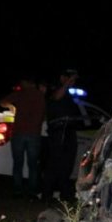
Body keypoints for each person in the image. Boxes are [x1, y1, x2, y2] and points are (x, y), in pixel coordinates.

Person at [0, 77, 46, 198]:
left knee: (18, 163)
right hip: (34, 134)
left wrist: (11, 106)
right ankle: (32, 190)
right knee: (33, 164)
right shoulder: (40, 95)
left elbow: (2, 102)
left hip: (19, 133)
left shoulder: (20, 94)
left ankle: (17, 189)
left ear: (26, 82)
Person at [43, 69, 81, 202]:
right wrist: (67, 83)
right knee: (54, 163)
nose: (72, 82)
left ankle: (64, 194)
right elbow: (56, 97)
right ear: (62, 78)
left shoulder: (69, 94)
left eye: (74, 80)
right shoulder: (54, 89)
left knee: (67, 164)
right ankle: (46, 194)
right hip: (58, 132)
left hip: (68, 131)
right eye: (70, 78)